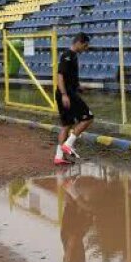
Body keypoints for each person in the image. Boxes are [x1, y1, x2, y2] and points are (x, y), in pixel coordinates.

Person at [54, 32, 94, 166]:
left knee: (66, 125)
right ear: (79, 42)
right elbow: (60, 76)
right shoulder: (67, 56)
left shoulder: (74, 57)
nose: (86, 48)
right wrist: (65, 94)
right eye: (85, 45)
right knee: (88, 118)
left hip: (68, 92)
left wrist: (80, 87)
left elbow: (70, 78)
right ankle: (68, 144)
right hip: (66, 94)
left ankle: (59, 156)